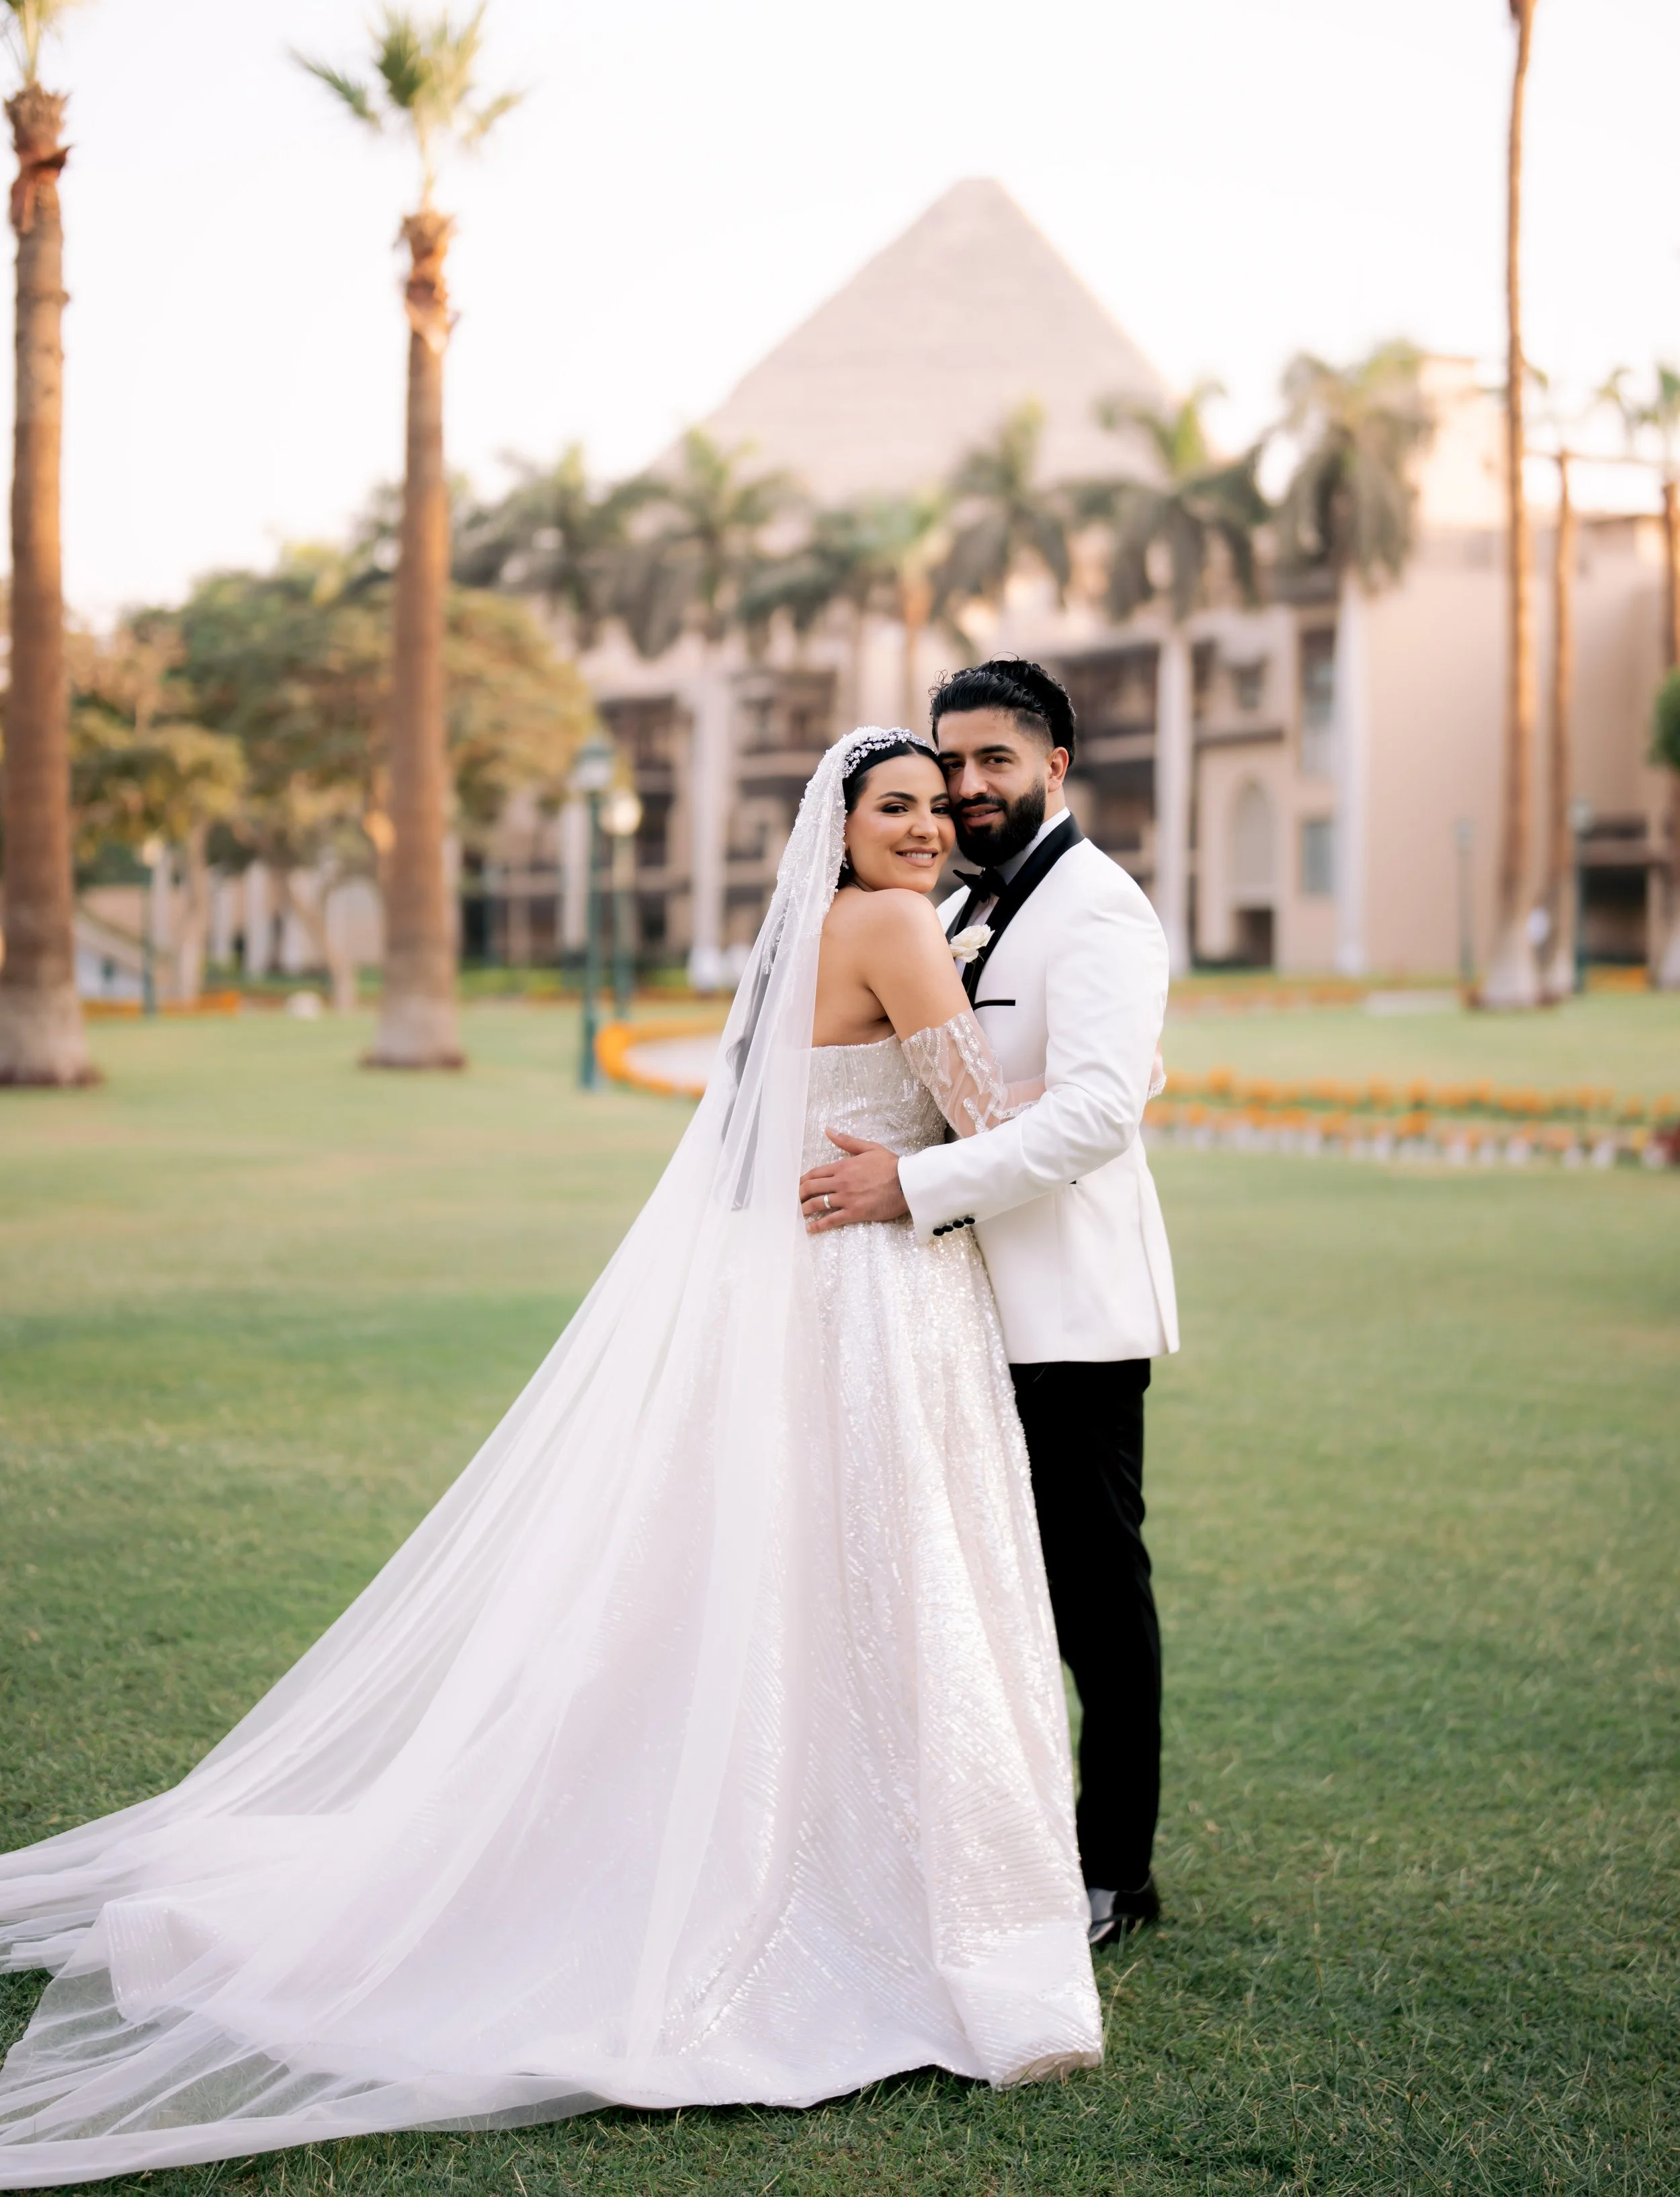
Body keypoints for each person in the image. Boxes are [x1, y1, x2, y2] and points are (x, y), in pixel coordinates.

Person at [0, 727, 1099, 2191]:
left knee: (801, 1585)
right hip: (876, 1302)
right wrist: (1104, 1083)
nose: (920, 828)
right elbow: (976, 1122)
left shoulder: (801, 939)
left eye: (929, 808)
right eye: (889, 808)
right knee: (896, 1581)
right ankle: (905, 1905)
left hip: (801, 1287)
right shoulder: (897, 925)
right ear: (835, 829)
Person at [801, 660, 1177, 1946]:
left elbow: (1088, 1115)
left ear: (1055, 767)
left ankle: (1113, 1867)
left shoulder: (1099, 913)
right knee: (974, 1592)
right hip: (943, 1315)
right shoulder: (949, 905)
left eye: (991, 765)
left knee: (1090, 1595)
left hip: (1060, 1310)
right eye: (948, 767)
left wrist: (911, 1182)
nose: (963, 791)